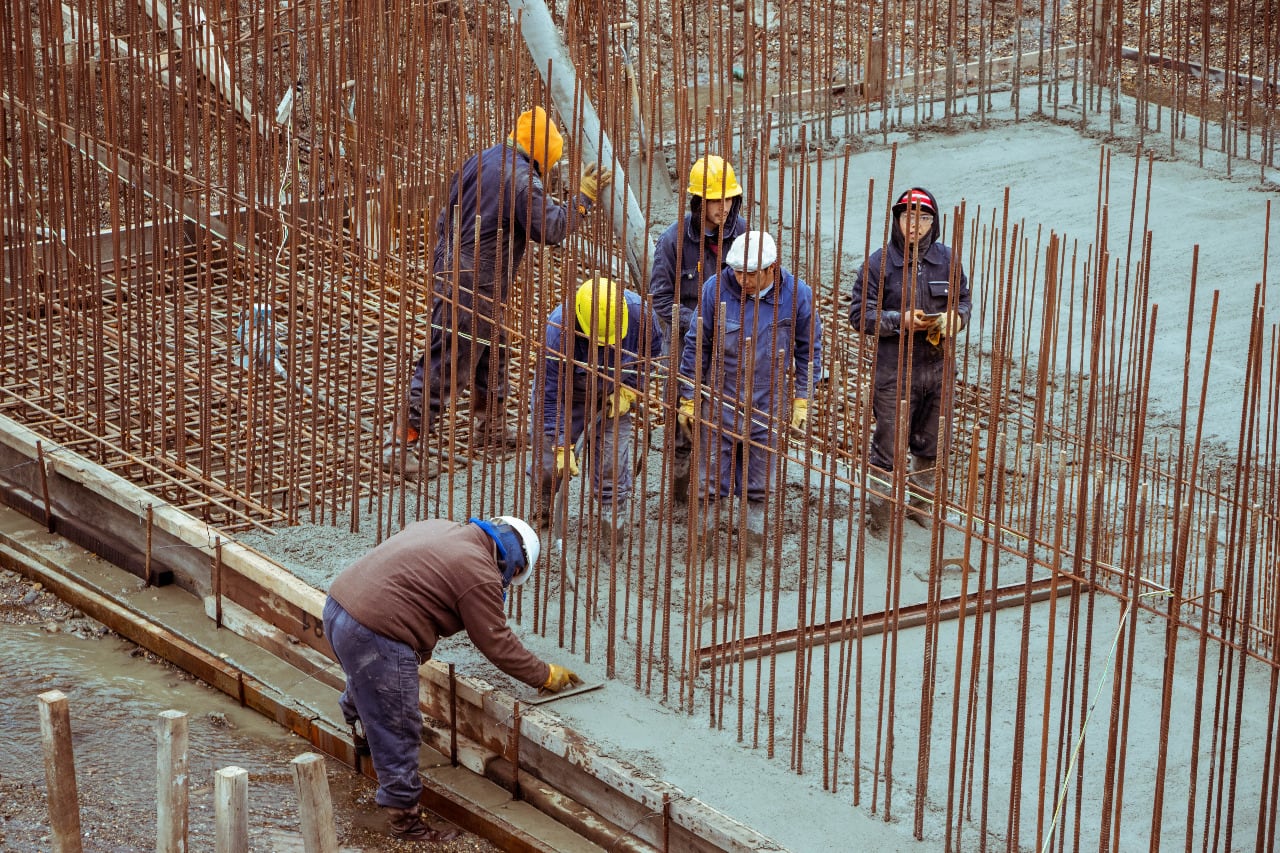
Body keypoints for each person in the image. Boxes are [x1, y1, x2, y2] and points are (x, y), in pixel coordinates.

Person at [384, 107, 613, 477]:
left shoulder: (484, 158)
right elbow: (551, 229)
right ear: (542, 156)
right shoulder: (522, 178)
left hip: (457, 266)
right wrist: (582, 202)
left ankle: (489, 425)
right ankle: (401, 443)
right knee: (446, 364)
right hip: (474, 282)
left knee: (494, 351)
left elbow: (446, 214)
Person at [322, 516, 582, 840]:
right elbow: (495, 641)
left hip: (338, 610)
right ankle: (406, 823)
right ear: (515, 566)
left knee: (370, 685)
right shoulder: (480, 573)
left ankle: (362, 732)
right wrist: (544, 674)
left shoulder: (442, 528)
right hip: (377, 632)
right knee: (398, 725)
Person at [676, 230, 822, 551]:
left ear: (772, 268)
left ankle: (753, 542)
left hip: (768, 401)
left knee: (760, 482)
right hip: (721, 397)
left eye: (751, 273)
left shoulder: (797, 295)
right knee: (709, 480)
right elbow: (696, 345)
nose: (742, 280)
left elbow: (808, 351)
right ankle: (705, 542)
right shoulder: (716, 288)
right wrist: (688, 396)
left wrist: (802, 398)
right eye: (737, 272)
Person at [847, 186, 971, 534]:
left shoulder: (948, 260)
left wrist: (956, 319)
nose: (915, 225)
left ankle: (921, 505)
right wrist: (898, 320)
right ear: (897, 221)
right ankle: (881, 515)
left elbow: (963, 300)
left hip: (939, 368)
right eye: (908, 217)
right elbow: (859, 316)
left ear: (934, 222)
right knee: (889, 445)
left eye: (923, 218)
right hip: (895, 373)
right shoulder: (878, 263)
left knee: (933, 442)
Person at [531, 278, 662, 550]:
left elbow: (653, 356)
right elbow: (549, 395)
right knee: (549, 464)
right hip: (568, 396)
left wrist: (630, 391)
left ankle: (611, 523)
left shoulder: (641, 316)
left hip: (615, 394)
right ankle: (542, 506)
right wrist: (560, 445)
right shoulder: (559, 330)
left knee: (612, 462)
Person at [649, 155, 748, 501]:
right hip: (681, 345)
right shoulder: (673, 241)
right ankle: (679, 495)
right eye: (715, 200)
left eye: (729, 198)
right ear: (698, 200)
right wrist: (702, 323)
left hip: (731, 346)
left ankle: (721, 492)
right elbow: (660, 299)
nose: (724, 207)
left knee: (730, 419)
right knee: (681, 426)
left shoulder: (744, 237)